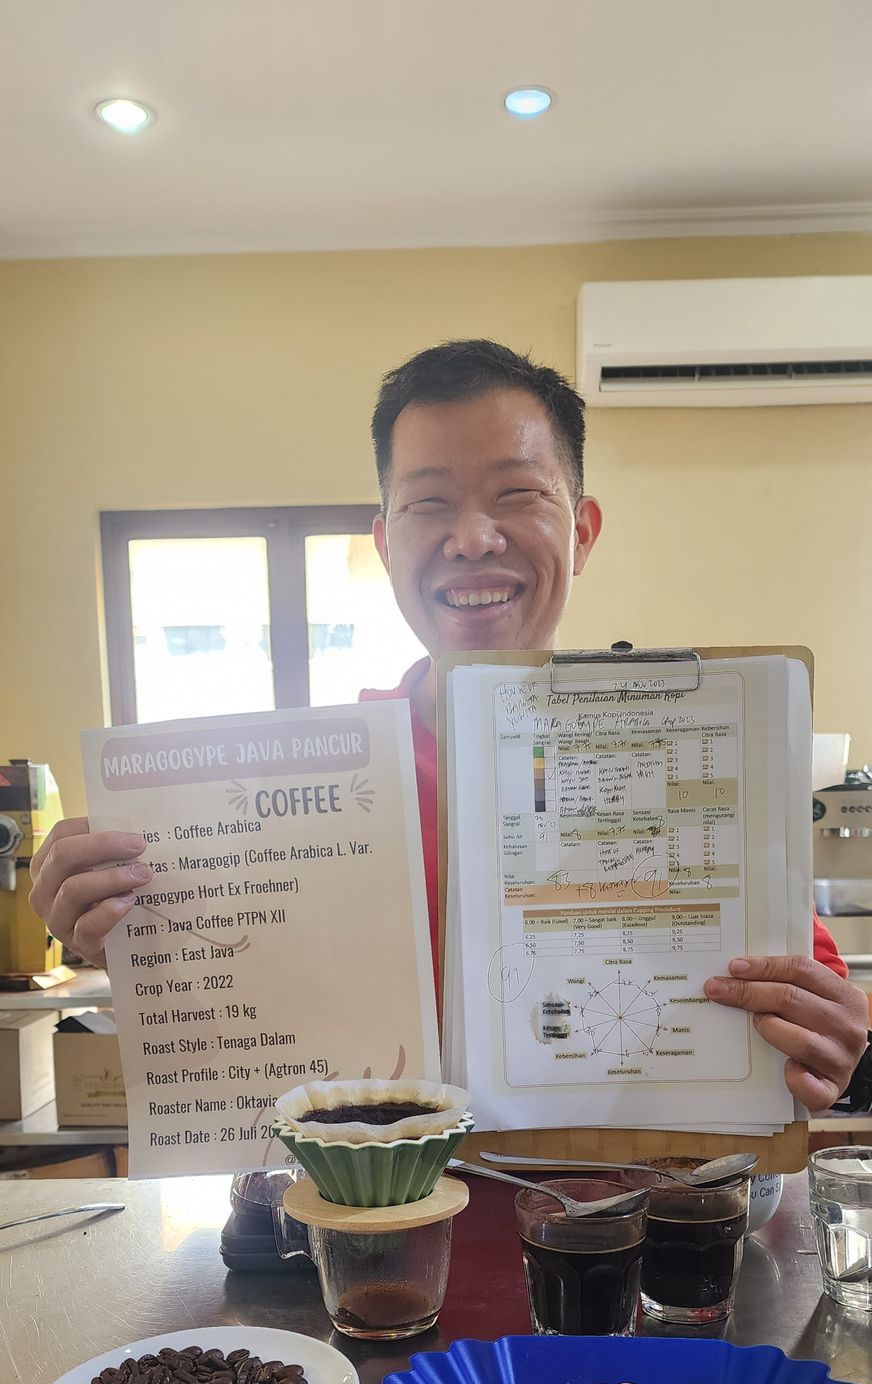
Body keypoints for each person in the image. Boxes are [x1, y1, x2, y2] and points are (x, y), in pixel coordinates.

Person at [30, 339, 868, 1113]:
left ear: (581, 533)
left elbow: (812, 1019)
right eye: (429, 503)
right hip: (365, 1216)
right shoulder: (298, 793)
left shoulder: (682, 752)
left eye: (517, 495)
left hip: (616, 1213)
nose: (472, 539)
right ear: (385, 543)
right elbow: (230, 1008)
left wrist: (827, 1042)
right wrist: (124, 934)